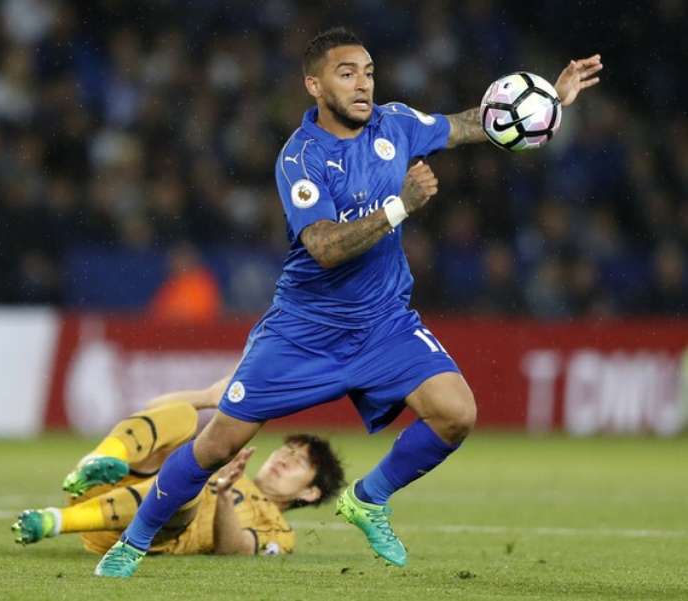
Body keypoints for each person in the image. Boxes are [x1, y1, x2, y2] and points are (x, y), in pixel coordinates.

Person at [94, 27, 602, 576]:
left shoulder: (395, 123)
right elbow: (324, 247)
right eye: (347, 74)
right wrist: (400, 206)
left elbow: (466, 125)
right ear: (314, 85)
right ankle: (134, 542)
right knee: (216, 445)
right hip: (303, 331)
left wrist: (546, 101)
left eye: (368, 72)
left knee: (456, 414)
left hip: (383, 323)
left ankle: (367, 498)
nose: (363, 84)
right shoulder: (301, 158)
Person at [12, 392, 345, 557]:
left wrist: (223, 493)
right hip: (112, 488)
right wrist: (209, 397)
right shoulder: (224, 460)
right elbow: (152, 410)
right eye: (288, 450)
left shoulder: (280, 531)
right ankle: (101, 458)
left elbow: (235, 549)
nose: (286, 458)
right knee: (185, 415)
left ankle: (53, 521)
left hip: (143, 535)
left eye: (301, 461)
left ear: (310, 492)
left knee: (186, 489)